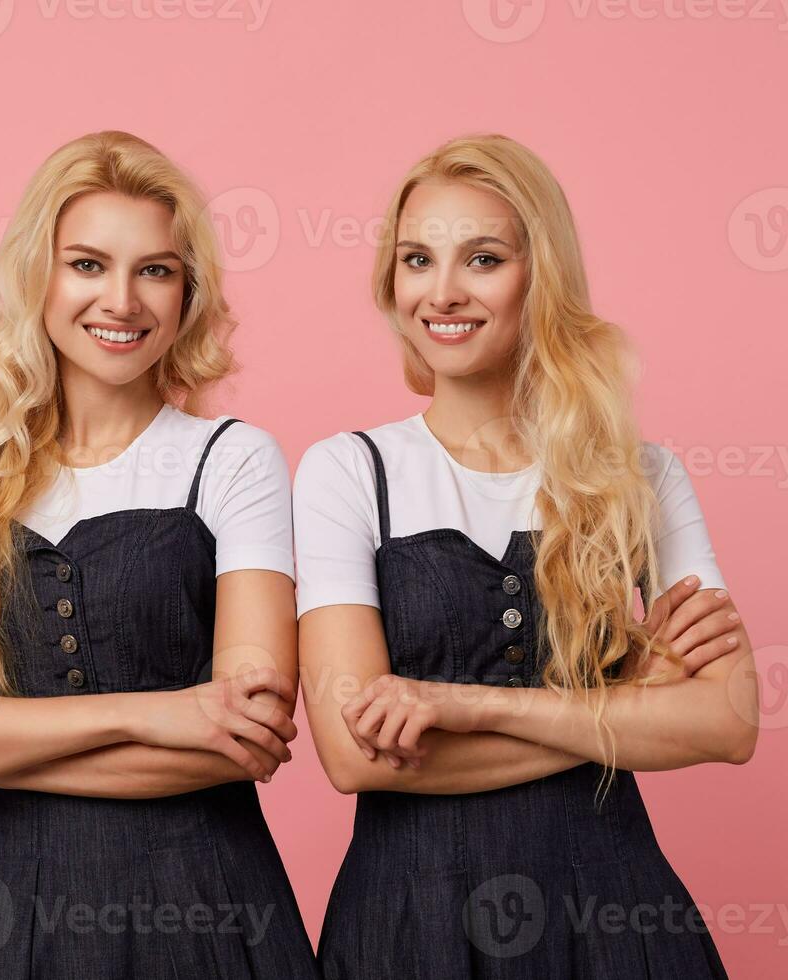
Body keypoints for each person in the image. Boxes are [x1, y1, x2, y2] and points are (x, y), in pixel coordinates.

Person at [0, 130, 320, 979]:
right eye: (88, 265)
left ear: (187, 293)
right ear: (40, 277)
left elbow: (244, 738)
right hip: (1, 921)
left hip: (207, 912)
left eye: (155, 270)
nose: (122, 300)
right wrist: (151, 712)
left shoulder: (234, 459)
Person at [293, 133, 759, 978]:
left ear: (539, 275)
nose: (443, 291)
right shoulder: (345, 472)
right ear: (391, 284)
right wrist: (622, 706)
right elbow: (352, 753)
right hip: (409, 926)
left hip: (615, 921)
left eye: (482, 258)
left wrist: (467, 707)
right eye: (417, 260)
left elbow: (727, 721)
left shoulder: (640, 475)